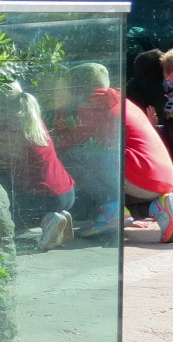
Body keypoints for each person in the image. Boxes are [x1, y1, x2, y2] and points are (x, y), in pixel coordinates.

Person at [52, 62, 173, 239]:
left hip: (140, 176)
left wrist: (60, 109)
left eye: (70, 89)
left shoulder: (94, 104)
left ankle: (112, 210)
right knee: (96, 166)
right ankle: (158, 206)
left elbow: (64, 146)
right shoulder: (123, 100)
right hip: (163, 180)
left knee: (69, 157)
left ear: (79, 90)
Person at [0, 82, 75, 251]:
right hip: (66, 193)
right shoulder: (32, 119)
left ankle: (48, 220)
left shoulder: (9, 129)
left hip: (43, 198)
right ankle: (57, 216)